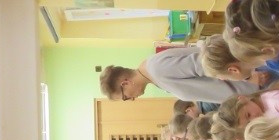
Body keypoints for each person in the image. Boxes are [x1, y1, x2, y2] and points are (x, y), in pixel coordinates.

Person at [97, 42, 257, 105]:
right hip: (247, 88)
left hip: (251, 78)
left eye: (125, 96)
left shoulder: (157, 69)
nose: (131, 99)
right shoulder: (152, 75)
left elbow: (206, 63)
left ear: (125, 83)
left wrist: (248, 76)